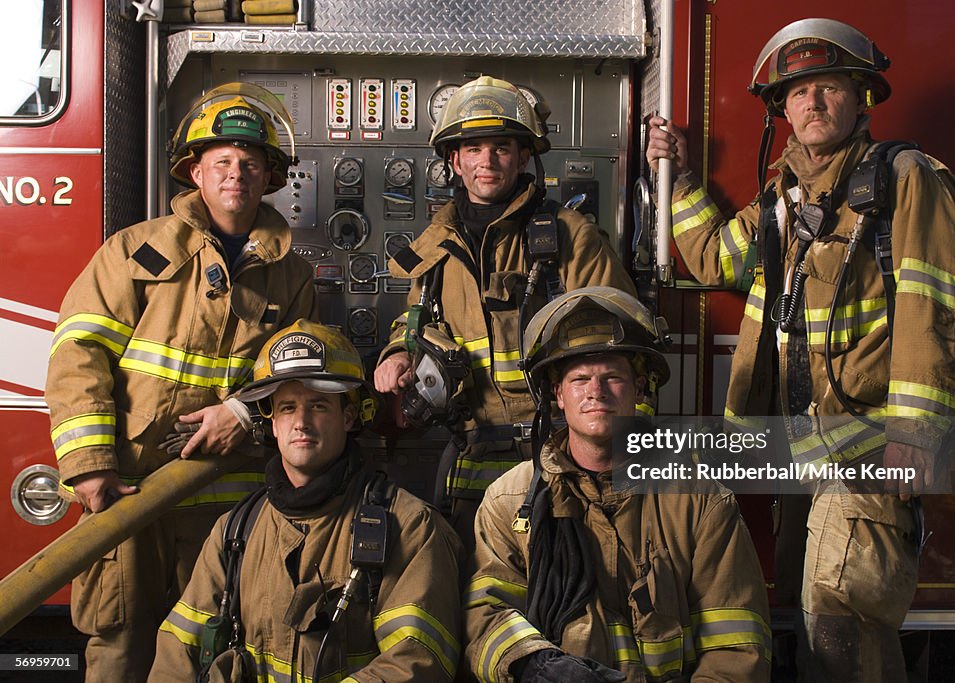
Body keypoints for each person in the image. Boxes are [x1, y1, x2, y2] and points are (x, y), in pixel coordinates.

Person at [646, 18, 955, 681]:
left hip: (866, 446)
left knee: (842, 615)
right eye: (798, 93)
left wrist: (913, 433)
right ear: (783, 110)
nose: (814, 103)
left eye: (829, 88)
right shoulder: (787, 197)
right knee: (809, 613)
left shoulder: (906, 179)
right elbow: (717, 258)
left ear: (862, 99)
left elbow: (934, 309)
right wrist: (680, 181)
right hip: (801, 449)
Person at [45, 82, 318, 681]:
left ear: (270, 175)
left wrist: (245, 414)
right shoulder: (134, 253)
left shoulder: (291, 276)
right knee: (119, 639)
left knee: (217, 639)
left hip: (227, 499)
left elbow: (300, 371)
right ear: (195, 171)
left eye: (250, 163)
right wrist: (90, 463)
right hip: (127, 493)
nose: (235, 174)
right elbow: (78, 353)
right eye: (221, 161)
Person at [374, 76, 636, 549]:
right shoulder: (435, 249)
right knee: (477, 588)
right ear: (454, 160)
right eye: (473, 148)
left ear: (523, 156)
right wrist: (398, 353)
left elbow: (617, 341)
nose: (487, 161)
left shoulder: (569, 236)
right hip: (471, 453)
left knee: (565, 579)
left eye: (501, 147)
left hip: (560, 450)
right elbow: (414, 320)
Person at [463, 287, 772, 682]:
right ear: (557, 394)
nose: (596, 391)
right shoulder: (510, 501)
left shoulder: (698, 500)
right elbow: (484, 613)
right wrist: (533, 665)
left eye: (613, 377)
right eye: (579, 379)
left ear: (640, 388)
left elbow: (737, 645)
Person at [149, 320, 465, 682]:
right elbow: (178, 654)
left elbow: (416, 664)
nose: (300, 422)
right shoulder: (236, 532)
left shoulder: (409, 527)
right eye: (286, 407)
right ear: (272, 424)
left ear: (348, 417)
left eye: (318, 405)